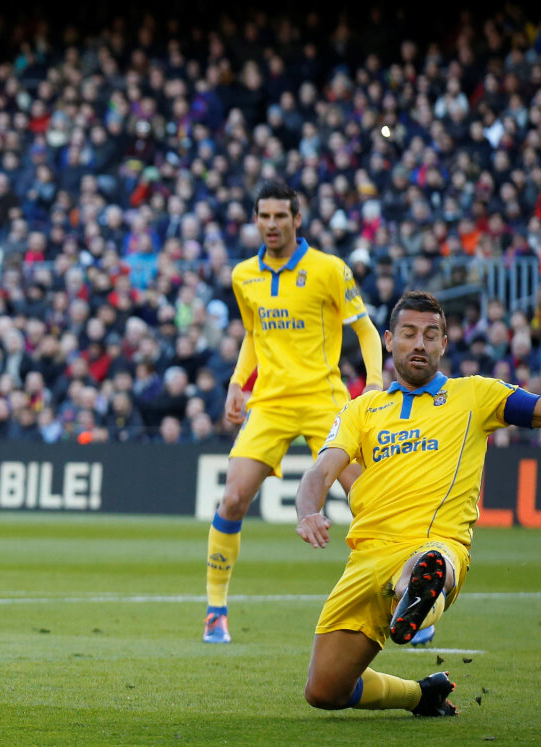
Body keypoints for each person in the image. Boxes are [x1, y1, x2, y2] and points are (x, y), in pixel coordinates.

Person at [293, 290, 541, 716]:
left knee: (425, 567)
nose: (420, 344)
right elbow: (320, 471)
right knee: (325, 691)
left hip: (436, 543)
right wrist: (308, 511)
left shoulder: (474, 396)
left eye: (431, 335)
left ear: (445, 344)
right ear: (389, 340)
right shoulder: (362, 409)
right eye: (409, 334)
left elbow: (535, 410)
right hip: (367, 557)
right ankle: (421, 694)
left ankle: (416, 590)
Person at [204, 180, 385, 643]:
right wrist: (236, 384)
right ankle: (215, 611)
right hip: (269, 404)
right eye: (263, 216)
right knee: (232, 499)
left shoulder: (328, 269)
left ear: (296, 220)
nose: (271, 224)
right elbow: (252, 335)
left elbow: (365, 331)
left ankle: (401, 594)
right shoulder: (244, 275)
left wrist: (376, 385)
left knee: (367, 497)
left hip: (325, 400)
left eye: (280, 216)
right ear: (255, 220)